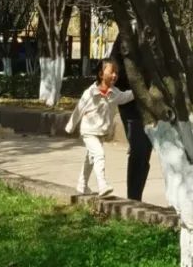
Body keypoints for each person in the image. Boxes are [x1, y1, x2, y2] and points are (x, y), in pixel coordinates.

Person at [66, 57, 133, 198]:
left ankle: (82, 184)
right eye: (111, 72)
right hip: (88, 131)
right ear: (101, 74)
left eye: (116, 73)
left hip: (101, 132)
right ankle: (102, 184)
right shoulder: (90, 93)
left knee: (91, 158)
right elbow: (78, 110)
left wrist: (138, 92)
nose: (114, 75)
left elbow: (125, 97)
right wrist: (70, 127)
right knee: (99, 155)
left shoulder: (115, 93)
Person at [108, 33, 154, 202]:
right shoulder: (126, 31)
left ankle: (136, 197)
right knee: (139, 148)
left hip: (153, 100)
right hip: (130, 101)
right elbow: (114, 62)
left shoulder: (159, 30)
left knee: (144, 152)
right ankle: (133, 200)